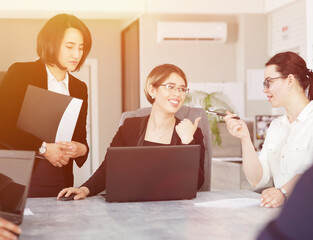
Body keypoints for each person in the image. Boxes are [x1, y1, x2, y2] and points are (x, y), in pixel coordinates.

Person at [57, 64, 205, 200]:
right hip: (132, 210)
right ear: (152, 90)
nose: (177, 94)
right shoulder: (129, 127)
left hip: (174, 212)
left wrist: (188, 142)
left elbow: (196, 183)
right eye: (170, 87)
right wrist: (84, 189)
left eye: (182, 89)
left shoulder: (192, 133)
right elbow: (109, 168)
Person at [224, 51, 313, 208]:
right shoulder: (276, 126)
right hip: (286, 213)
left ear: (290, 80)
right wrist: (245, 138)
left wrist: (283, 192)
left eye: (269, 82)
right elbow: (257, 179)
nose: (265, 89)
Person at [0, 14, 92, 197]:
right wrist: (42, 148)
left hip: (60, 178)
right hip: (20, 176)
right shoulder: (21, 73)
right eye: (69, 46)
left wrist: (82, 149)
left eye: (81, 48)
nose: (77, 54)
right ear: (51, 43)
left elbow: (81, 137)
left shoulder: (79, 87)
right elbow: (3, 126)